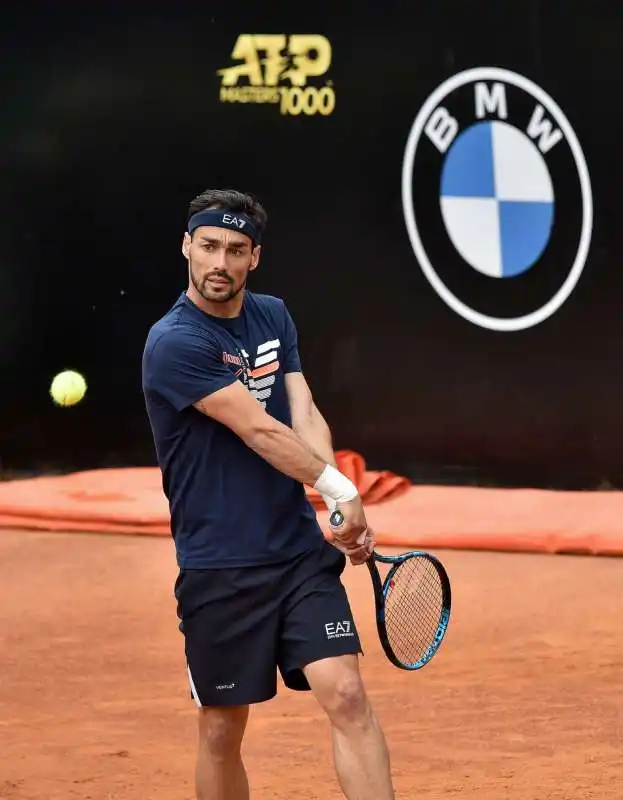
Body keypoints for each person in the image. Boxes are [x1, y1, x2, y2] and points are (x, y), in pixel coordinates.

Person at [141, 188, 395, 800]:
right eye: (208, 247)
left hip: (296, 555)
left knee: (349, 694)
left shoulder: (273, 315)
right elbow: (257, 428)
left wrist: (338, 498)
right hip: (220, 566)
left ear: (254, 257)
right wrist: (336, 486)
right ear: (187, 247)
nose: (219, 263)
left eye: (234, 250)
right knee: (223, 732)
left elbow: (301, 407)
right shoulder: (174, 342)